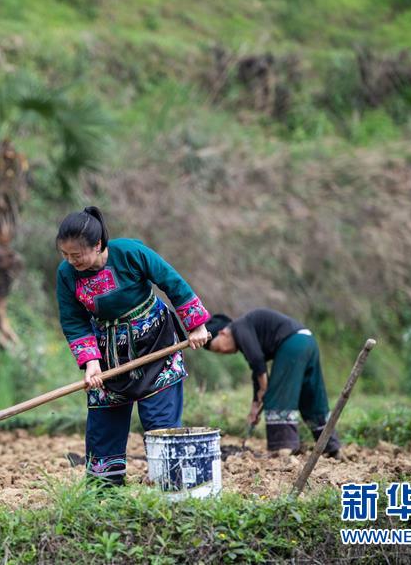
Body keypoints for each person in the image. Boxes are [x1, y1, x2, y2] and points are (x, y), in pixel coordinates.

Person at [56, 207, 211, 485]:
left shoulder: (129, 253)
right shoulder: (66, 275)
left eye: (76, 255)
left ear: (98, 245)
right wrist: (91, 362)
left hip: (155, 342)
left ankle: (169, 485)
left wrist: (196, 325)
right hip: (108, 352)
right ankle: (105, 490)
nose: (70, 261)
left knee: (159, 417)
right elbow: (73, 320)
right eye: (65, 255)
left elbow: (171, 281)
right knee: (104, 418)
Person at [204, 309, 342, 458]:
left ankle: (283, 447)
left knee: (278, 397)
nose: (223, 353)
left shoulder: (239, 326)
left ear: (223, 333)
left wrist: (264, 389)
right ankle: (331, 446)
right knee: (311, 398)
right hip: (308, 341)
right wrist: (255, 405)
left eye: (218, 348)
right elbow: (257, 371)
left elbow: (257, 361)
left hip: (292, 344)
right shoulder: (247, 331)